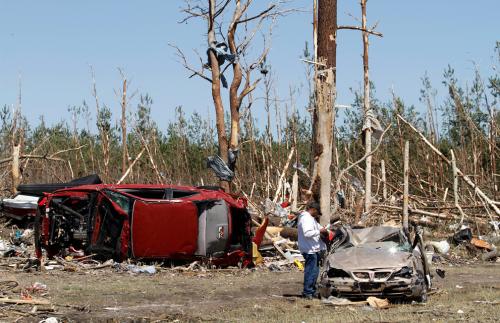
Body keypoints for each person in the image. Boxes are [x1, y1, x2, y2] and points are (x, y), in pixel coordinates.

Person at [297, 201, 327, 299]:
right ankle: (307, 292)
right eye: (317, 212)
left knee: (315, 271)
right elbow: (307, 233)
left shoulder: (311, 219)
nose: (317, 215)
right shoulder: (306, 218)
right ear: (313, 210)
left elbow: (319, 227)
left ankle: (312, 290)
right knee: (310, 271)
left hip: (314, 248)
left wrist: (324, 229)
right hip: (309, 249)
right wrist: (320, 231)